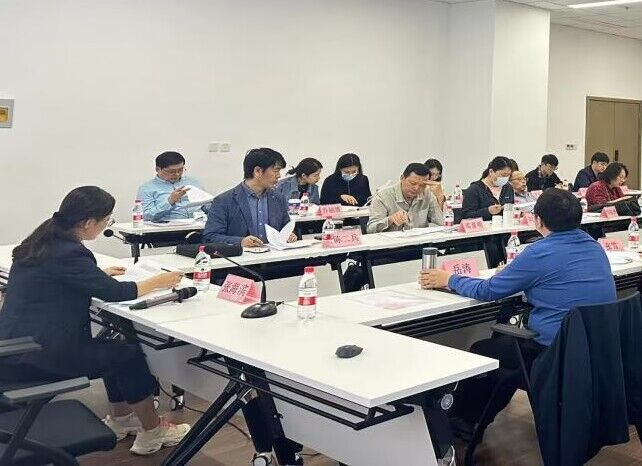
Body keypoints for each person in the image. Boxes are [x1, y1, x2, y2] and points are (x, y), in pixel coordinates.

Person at [0, 186, 190, 456]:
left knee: (112, 351)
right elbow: (117, 293)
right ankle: (153, 431)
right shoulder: (70, 253)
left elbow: (60, 277)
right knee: (127, 356)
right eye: (106, 220)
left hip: (17, 348)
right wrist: (158, 281)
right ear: (88, 222)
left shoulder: (41, 240)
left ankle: (121, 421)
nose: (106, 225)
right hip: (44, 356)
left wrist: (94, 274)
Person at [418, 188, 616, 431]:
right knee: (510, 348)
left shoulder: (539, 252)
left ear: (538, 220)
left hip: (554, 353)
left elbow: (488, 291)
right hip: (596, 349)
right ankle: (471, 422)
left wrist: (448, 279)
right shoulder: (594, 246)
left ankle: (465, 421)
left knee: (487, 352)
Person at [203, 148, 296, 247]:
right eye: (276, 170)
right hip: (241, 256)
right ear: (257, 171)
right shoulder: (224, 201)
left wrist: (289, 235)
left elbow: (285, 228)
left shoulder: (278, 198)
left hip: (274, 255)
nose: (279, 176)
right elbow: (210, 237)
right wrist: (240, 242)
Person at [367, 163, 444, 233]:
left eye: (422, 185)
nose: (416, 188)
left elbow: (441, 223)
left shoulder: (427, 194)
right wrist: (390, 220)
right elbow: (370, 229)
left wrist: (440, 197)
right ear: (402, 178)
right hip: (393, 243)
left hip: (420, 241)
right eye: (412, 183)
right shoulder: (383, 196)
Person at [137, 151, 208, 222]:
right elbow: (146, 216)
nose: (177, 174)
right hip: (169, 227)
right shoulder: (146, 188)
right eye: (171, 171)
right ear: (158, 169)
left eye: (180, 170)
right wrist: (170, 201)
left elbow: (205, 205)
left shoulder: (192, 181)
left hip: (199, 224)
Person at [460, 156, 515, 220]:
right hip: (483, 225)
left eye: (508, 175)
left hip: (505, 225)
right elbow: (466, 215)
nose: (505, 178)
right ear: (491, 172)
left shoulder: (508, 188)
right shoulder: (474, 189)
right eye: (503, 175)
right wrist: (488, 211)